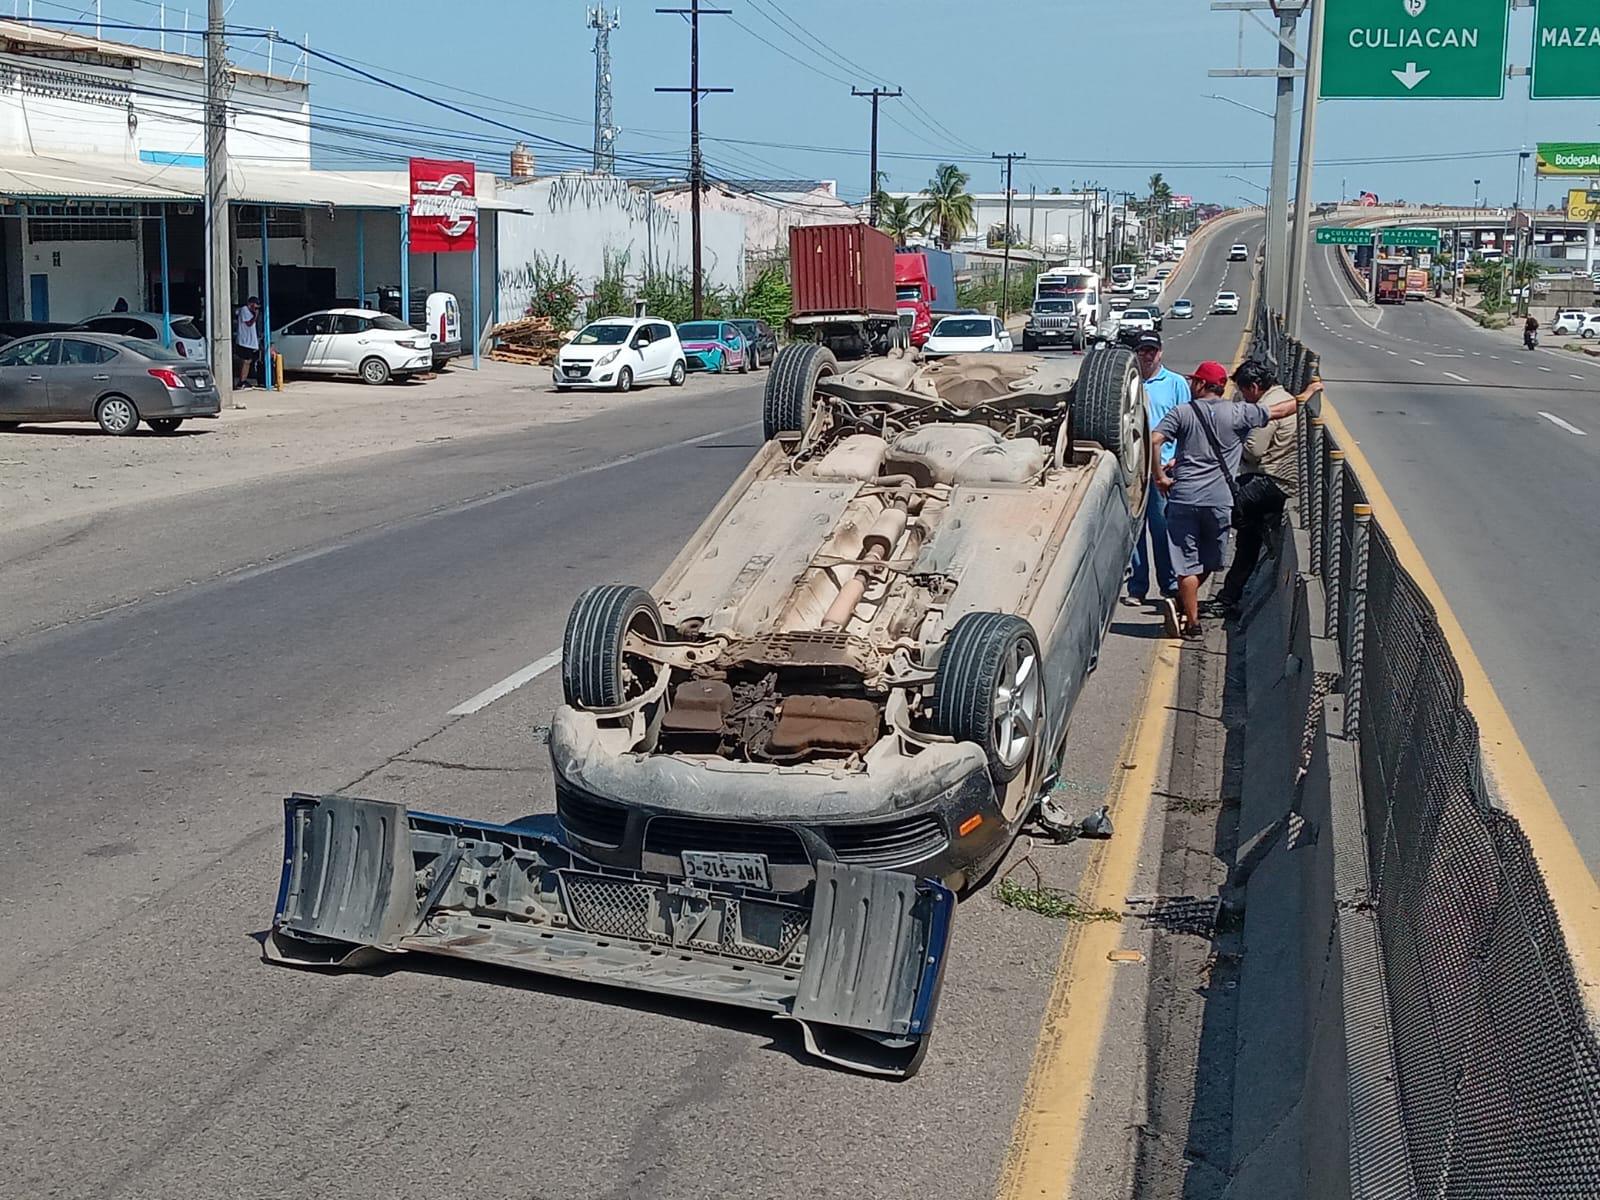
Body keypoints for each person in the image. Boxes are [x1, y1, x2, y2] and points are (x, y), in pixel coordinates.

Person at [1152, 360, 1299, 639]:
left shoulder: (1182, 412)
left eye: (1194, 380)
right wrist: (1306, 396)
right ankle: (1189, 611)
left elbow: (1155, 439)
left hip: (1183, 497)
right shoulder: (1239, 412)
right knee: (1211, 560)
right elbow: (1282, 410)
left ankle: (1191, 619)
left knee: (1185, 563)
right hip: (1220, 500)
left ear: (1201, 384)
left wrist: (1160, 476)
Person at [1214, 363, 1323, 615]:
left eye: (1243, 392)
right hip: (1278, 479)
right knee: (1246, 539)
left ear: (1253, 387)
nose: (1242, 398)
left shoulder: (1268, 408)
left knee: (1225, 504)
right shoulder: (1282, 397)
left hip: (1274, 480)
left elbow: (1254, 450)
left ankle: (1246, 538)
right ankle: (1230, 593)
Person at [1125, 332, 1189, 607]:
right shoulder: (1129, 384)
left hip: (1164, 469)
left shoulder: (1175, 383)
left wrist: (1179, 459)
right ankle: (1137, 587)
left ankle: (1170, 584)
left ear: (1160, 353)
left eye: (1152, 351)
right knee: (1135, 531)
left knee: (1163, 528)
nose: (1147, 356)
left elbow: (1188, 424)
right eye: (1142, 351)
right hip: (1134, 469)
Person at [235, 296, 260, 387]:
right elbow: (249, 323)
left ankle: (244, 379)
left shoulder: (249, 311)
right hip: (244, 341)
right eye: (255, 306)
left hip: (250, 342)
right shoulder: (244, 310)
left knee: (248, 361)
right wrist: (256, 315)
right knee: (246, 361)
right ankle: (242, 380)